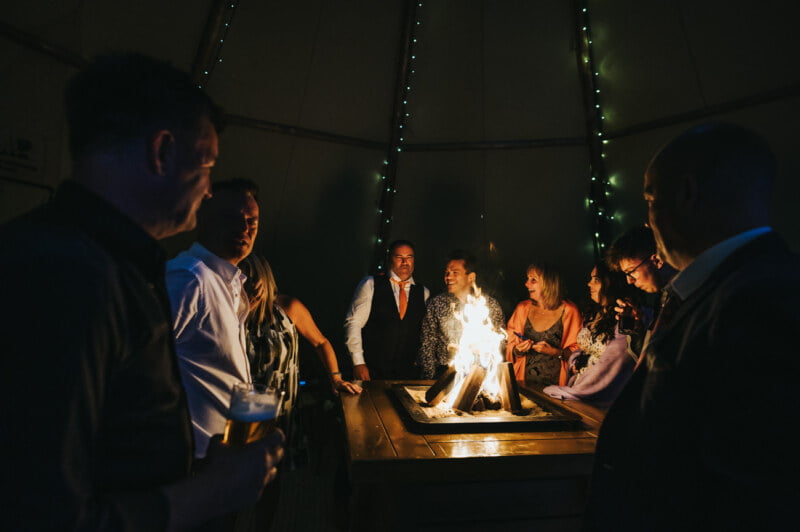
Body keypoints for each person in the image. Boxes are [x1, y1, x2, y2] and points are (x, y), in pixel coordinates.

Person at [0, 53, 282, 531]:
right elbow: (42, 513)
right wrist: (212, 491)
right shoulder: (67, 274)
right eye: (207, 163)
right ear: (163, 151)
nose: (209, 189)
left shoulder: (105, 262)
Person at [585, 123, 800, 531]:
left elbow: (758, 490)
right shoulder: (714, 290)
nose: (649, 223)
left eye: (650, 198)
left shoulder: (763, 300)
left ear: (685, 194)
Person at [166, 178, 261, 459]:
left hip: (222, 458)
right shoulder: (189, 278)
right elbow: (137, 367)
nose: (245, 229)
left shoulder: (230, 286)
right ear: (203, 220)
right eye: (233, 219)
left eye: (252, 221)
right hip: (190, 460)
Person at [240, 253, 361, 424]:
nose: (241, 286)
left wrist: (336, 378)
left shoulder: (287, 307)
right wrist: (244, 311)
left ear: (262, 279)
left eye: (245, 279)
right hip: (245, 405)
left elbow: (321, 343)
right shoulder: (230, 314)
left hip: (284, 404)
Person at [543, 262, 636, 407]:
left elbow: (614, 360)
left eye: (596, 280)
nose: (589, 284)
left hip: (603, 392)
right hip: (581, 383)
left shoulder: (625, 316)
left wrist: (579, 390)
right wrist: (577, 361)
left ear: (611, 283)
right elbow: (585, 349)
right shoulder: (594, 314)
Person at [344, 239, 430, 380]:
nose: (405, 262)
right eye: (399, 257)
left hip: (407, 373)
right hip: (372, 370)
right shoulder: (370, 284)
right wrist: (358, 362)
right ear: (390, 259)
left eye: (409, 257)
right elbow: (353, 323)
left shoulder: (423, 292)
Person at [417, 250, 505, 379]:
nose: (448, 277)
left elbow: (501, 342)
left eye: (455, 273)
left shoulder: (489, 306)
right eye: (446, 273)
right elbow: (427, 344)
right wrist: (430, 377)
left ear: (471, 277)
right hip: (445, 374)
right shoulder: (437, 304)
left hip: (479, 375)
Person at [604, 225, 677, 358]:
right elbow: (649, 360)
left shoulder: (684, 297)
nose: (629, 281)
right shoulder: (662, 297)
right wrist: (637, 329)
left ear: (657, 260)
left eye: (631, 272)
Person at [505, 261, 582, 386]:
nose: (526, 284)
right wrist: (518, 350)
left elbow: (579, 352)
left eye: (533, 280)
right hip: (523, 383)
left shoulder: (569, 310)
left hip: (557, 387)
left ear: (549, 283)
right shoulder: (522, 308)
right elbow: (509, 343)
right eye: (527, 279)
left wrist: (555, 352)